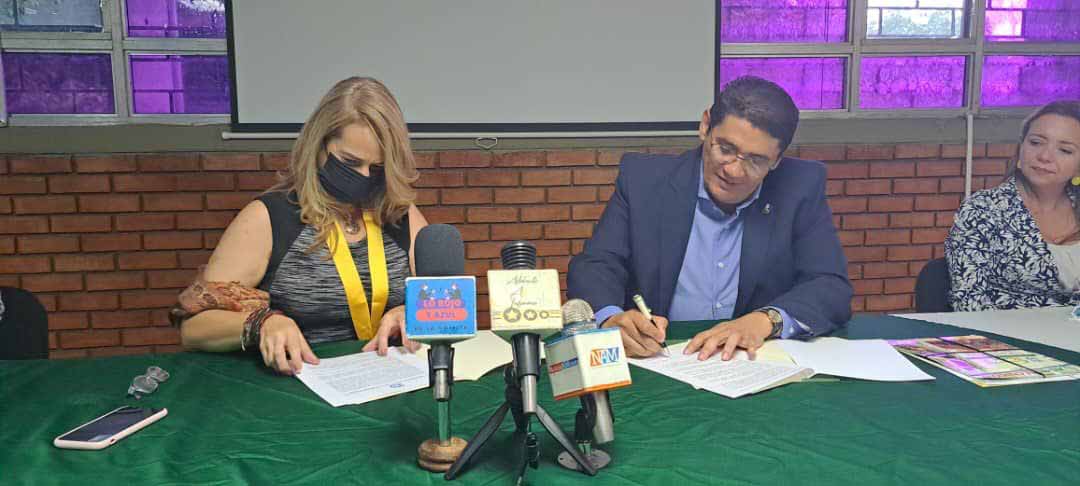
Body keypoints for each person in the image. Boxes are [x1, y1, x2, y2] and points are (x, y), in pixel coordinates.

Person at [567, 76, 852, 361]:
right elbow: (596, 264)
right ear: (705, 126)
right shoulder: (644, 180)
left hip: (750, 362)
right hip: (661, 357)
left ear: (777, 160)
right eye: (725, 149)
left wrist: (766, 320)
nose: (734, 171)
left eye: (756, 161)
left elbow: (830, 286)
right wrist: (611, 318)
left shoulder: (799, 187)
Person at [176, 77, 429, 374]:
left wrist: (411, 313)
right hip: (299, 381)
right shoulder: (269, 218)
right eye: (349, 162)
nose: (363, 176)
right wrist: (262, 323)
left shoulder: (399, 214)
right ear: (318, 146)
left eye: (377, 168)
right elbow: (194, 329)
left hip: (393, 378)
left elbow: (448, 303)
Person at [946, 100, 1080, 311]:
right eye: (1035, 142)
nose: (1044, 156)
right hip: (1005, 330)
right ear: (1020, 148)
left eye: (1064, 150)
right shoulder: (982, 210)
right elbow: (969, 302)